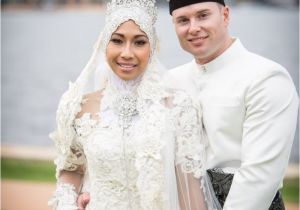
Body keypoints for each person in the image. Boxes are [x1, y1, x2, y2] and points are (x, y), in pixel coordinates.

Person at [48, 0, 222, 209]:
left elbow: (189, 189)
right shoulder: (78, 107)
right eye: (117, 41)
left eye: (139, 42)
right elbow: (72, 169)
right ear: (104, 44)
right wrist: (67, 204)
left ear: (152, 48)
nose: (127, 53)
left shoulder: (178, 108)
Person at [163, 0, 299, 210]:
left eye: (203, 15)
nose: (193, 28)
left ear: (225, 15)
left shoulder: (266, 78)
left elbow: (259, 177)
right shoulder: (171, 80)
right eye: (183, 20)